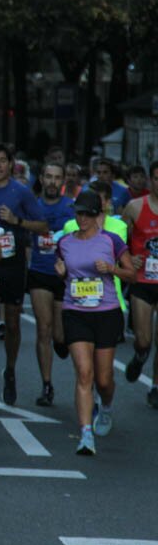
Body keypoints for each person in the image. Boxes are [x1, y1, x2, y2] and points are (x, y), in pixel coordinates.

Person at [55, 191, 135, 455]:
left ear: (97, 215)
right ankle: (86, 434)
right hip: (75, 312)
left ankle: (107, 406)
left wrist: (111, 269)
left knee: (103, 378)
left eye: (87, 214)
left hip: (106, 312)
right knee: (84, 373)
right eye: (78, 213)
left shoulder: (111, 241)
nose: (82, 218)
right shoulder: (65, 241)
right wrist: (61, 271)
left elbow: (131, 274)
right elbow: (61, 267)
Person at [0, 143, 46, 406]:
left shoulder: (22, 192)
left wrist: (17, 222)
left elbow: (43, 225)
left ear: (11, 164)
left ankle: (10, 371)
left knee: (12, 324)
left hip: (13, 265)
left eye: (3, 160)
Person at [27, 164, 74, 407]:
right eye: (49, 177)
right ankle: (47, 385)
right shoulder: (33, 205)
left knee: (59, 335)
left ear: (63, 180)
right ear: (42, 179)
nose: (53, 182)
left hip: (65, 275)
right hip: (39, 273)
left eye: (57, 177)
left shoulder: (71, 207)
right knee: (43, 330)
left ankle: (61, 341)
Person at [123, 161, 158, 405]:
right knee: (144, 339)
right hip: (142, 280)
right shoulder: (135, 207)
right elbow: (117, 239)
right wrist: (128, 259)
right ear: (150, 181)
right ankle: (139, 355)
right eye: (156, 178)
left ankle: (155, 385)